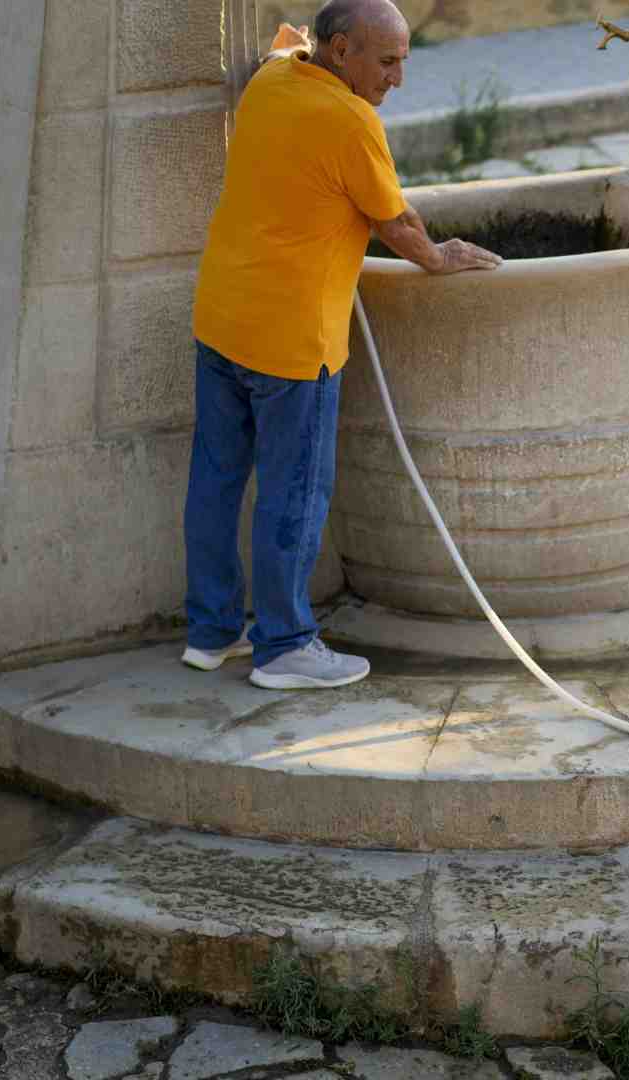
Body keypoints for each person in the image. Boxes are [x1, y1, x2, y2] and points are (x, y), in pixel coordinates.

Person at [181, 0, 501, 689]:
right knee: (293, 495)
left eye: (403, 62)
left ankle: (210, 634)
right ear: (342, 52)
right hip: (293, 344)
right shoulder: (349, 120)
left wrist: (303, 37)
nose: (397, 80)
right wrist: (439, 259)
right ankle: (285, 647)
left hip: (222, 319)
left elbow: (283, 44)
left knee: (215, 480)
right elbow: (398, 221)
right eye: (387, 62)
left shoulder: (272, 80)